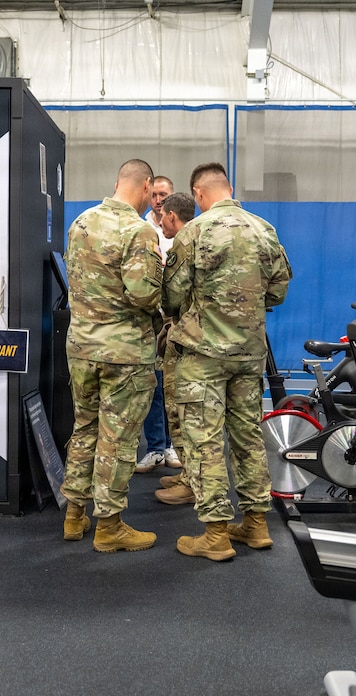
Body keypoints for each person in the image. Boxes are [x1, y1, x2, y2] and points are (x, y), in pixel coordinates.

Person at [161, 162, 292, 561]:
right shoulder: (264, 229)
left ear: (198, 193)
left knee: (204, 441)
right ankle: (256, 523)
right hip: (250, 353)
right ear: (228, 188)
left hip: (203, 355)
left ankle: (216, 534)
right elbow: (279, 290)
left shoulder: (194, 232)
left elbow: (171, 295)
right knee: (248, 436)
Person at [61, 159, 164, 553]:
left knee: (85, 427)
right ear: (146, 185)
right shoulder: (138, 230)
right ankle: (109, 526)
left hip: (82, 347)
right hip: (124, 353)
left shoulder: (81, 223)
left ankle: (74, 516)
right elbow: (143, 294)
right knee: (117, 439)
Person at [150, 192, 198, 501]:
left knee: (181, 412)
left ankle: (191, 484)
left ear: (171, 215)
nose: (160, 223)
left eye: (162, 217)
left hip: (185, 340)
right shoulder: (203, 236)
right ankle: (188, 475)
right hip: (202, 340)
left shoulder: (185, 241)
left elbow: (170, 299)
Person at [136, 175, 181, 474]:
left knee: (174, 385)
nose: (158, 199)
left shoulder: (183, 232)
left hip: (176, 318)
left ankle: (173, 445)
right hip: (152, 317)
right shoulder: (142, 230)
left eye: (163, 194)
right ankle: (155, 447)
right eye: (154, 195)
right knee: (154, 384)